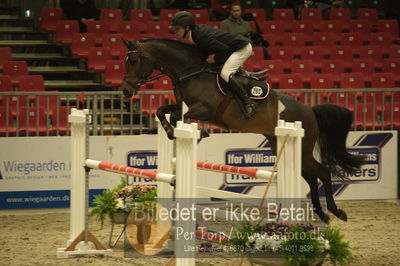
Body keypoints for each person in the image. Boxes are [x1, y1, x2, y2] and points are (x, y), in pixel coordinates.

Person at [170, 11, 256, 119]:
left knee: (225, 73)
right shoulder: (195, 34)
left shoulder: (199, 36)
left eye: (177, 29)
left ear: (187, 27)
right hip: (231, 49)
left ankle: (249, 103)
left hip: (241, 48)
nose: (175, 32)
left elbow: (223, 50)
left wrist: (214, 59)